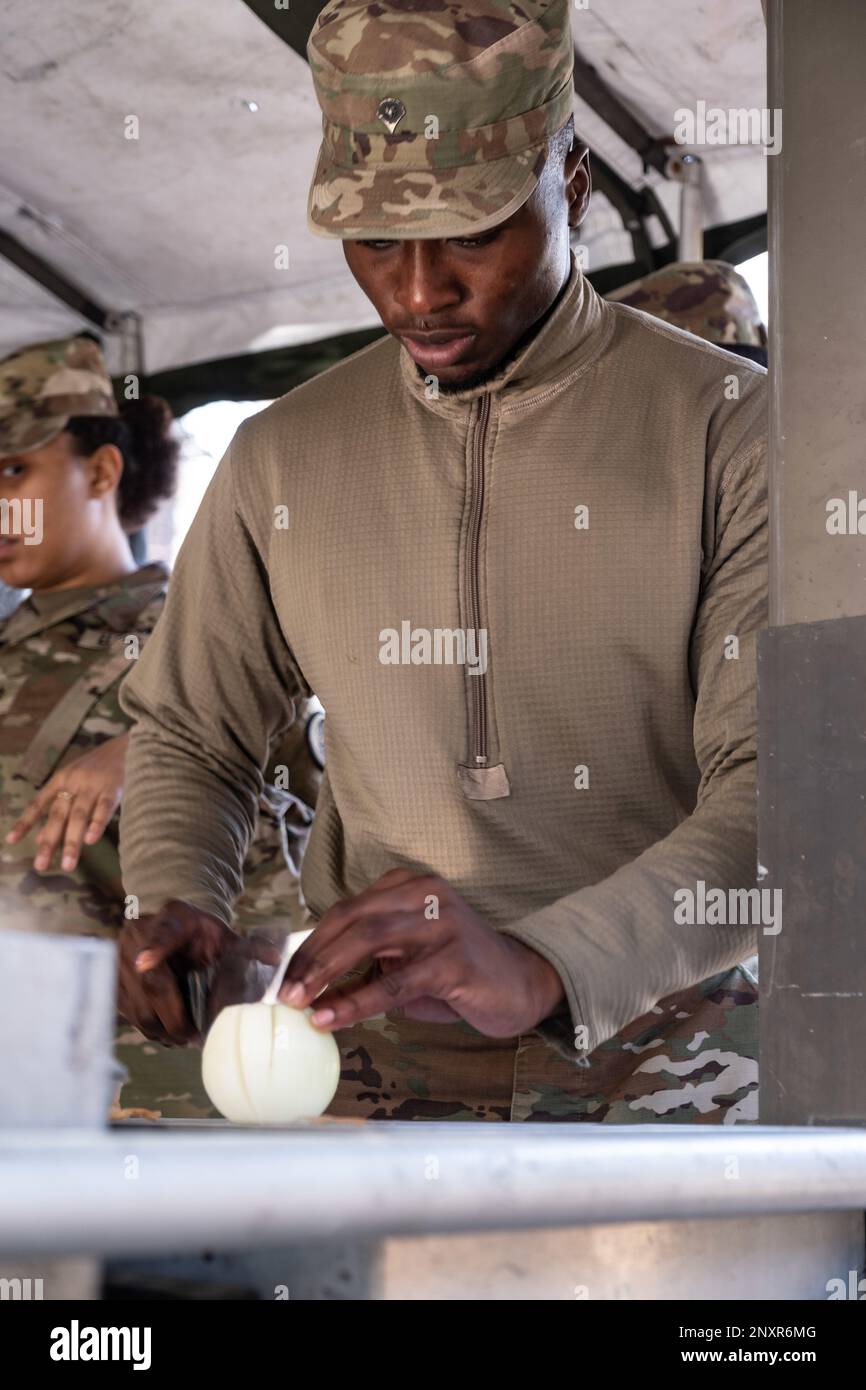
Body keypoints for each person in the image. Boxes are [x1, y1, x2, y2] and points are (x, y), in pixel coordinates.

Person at [117, 0, 766, 1124]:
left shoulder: (731, 431)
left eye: (471, 231)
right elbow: (190, 732)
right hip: (370, 1062)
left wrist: (549, 960)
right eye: (374, 241)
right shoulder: (281, 457)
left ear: (570, 185)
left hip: (669, 1047)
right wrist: (180, 892)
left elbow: (791, 786)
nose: (417, 293)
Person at [0, 335, 319, 1117]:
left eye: (14, 471)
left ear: (102, 470)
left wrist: (159, 748)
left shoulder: (204, 641)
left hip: (136, 1092)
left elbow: (298, 879)